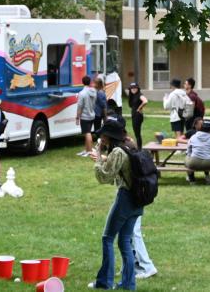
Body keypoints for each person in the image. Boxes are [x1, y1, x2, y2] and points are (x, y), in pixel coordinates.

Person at [90, 115, 142, 290]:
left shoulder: (118, 152)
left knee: (107, 238)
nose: (101, 139)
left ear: (109, 136)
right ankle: (128, 284)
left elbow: (103, 177)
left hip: (126, 198)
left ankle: (105, 282)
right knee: (125, 240)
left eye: (103, 136)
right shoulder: (129, 144)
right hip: (138, 199)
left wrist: (98, 155)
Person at [77, 76, 98, 157]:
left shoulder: (82, 93)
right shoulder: (94, 91)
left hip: (85, 116)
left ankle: (89, 151)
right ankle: (87, 149)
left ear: (82, 82)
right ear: (90, 82)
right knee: (88, 132)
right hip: (92, 114)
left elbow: (80, 106)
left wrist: (77, 117)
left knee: (87, 133)